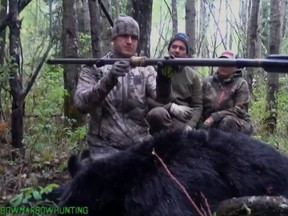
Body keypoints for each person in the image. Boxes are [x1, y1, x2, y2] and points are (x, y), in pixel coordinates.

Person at [74, 16, 170, 158]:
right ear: (114, 38)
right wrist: (110, 78)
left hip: (140, 145)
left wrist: (164, 78)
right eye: (124, 36)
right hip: (103, 147)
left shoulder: (145, 70)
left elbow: (162, 98)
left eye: (134, 37)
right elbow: (81, 104)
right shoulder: (95, 69)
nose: (129, 41)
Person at [147, 33, 203, 134]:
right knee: (158, 114)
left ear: (186, 54)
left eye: (181, 48)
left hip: (182, 119)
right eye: (174, 47)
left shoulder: (193, 76)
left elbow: (197, 106)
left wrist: (190, 126)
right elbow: (147, 100)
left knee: (185, 134)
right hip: (160, 114)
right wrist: (170, 107)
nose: (177, 50)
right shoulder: (156, 70)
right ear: (169, 50)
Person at [200, 50, 254, 135]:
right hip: (210, 123)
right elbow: (199, 105)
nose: (224, 66)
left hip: (236, 122)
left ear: (235, 67)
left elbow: (240, 110)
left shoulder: (241, 83)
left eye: (228, 63)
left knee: (228, 122)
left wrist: (215, 117)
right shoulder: (207, 82)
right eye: (221, 62)